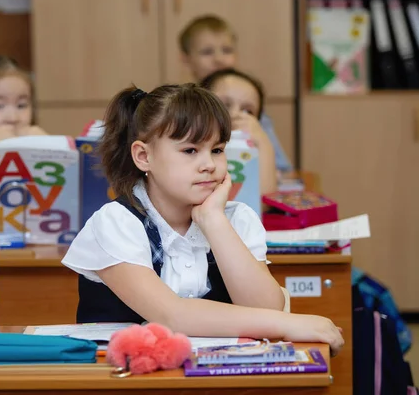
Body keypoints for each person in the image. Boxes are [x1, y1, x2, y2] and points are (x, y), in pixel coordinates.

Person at [61, 83, 344, 355]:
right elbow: (171, 314)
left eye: (217, 150)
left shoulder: (237, 219)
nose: (209, 164)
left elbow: (265, 308)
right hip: (124, 380)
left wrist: (213, 220)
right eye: (190, 151)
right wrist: (291, 323)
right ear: (143, 156)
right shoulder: (116, 222)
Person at [179, 15, 293, 175]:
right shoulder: (179, 108)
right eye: (207, 52)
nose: (219, 59)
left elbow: (281, 168)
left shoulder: (249, 109)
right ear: (186, 59)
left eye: (227, 50)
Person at [201, 68, 276, 195]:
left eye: (247, 111)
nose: (236, 114)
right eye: (224, 105)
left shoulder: (252, 151)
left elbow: (263, 201)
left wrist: (263, 142)